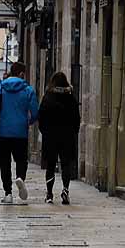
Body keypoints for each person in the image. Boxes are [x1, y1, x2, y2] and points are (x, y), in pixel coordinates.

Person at [0, 62, 39, 205]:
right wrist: (28, 121)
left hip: (3, 132)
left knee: (4, 163)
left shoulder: (0, 88)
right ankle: (20, 177)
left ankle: (8, 193)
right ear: (22, 73)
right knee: (21, 159)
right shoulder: (28, 90)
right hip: (20, 132)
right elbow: (35, 111)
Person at [38, 72, 82, 205]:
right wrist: (74, 132)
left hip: (50, 136)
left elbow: (41, 117)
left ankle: (49, 194)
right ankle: (65, 190)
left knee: (50, 165)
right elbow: (76, 119)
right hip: (67, 136)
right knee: (66, 164)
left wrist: (45, 131)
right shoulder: (71, 99)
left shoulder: (48, 98)